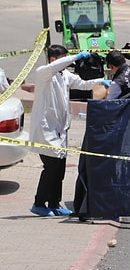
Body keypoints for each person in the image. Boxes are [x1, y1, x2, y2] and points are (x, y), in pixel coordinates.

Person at [30, 45, 110, 217]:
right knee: (51, 168)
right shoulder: (43, 72)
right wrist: (75, 56)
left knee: (60, 168)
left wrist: (100, 82)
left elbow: (81, 83)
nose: (66, 63)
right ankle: (38, 203)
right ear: (53, 59)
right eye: (63, 58)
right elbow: (55, 67)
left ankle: (54, 203)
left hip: (59, 130)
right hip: (46, 130)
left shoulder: (64, 75)